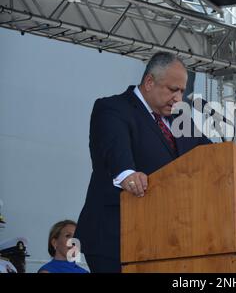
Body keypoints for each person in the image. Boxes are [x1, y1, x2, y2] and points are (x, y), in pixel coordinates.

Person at [75, 52, 212, 273]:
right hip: (115, 237)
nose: (178, 98)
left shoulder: (181, 121)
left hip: (168, 239)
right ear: (149, 82)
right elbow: (115, 150)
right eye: (172, 89)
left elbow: (213, 157)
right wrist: (127, 174)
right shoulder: (114, 108)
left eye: (182, 91)